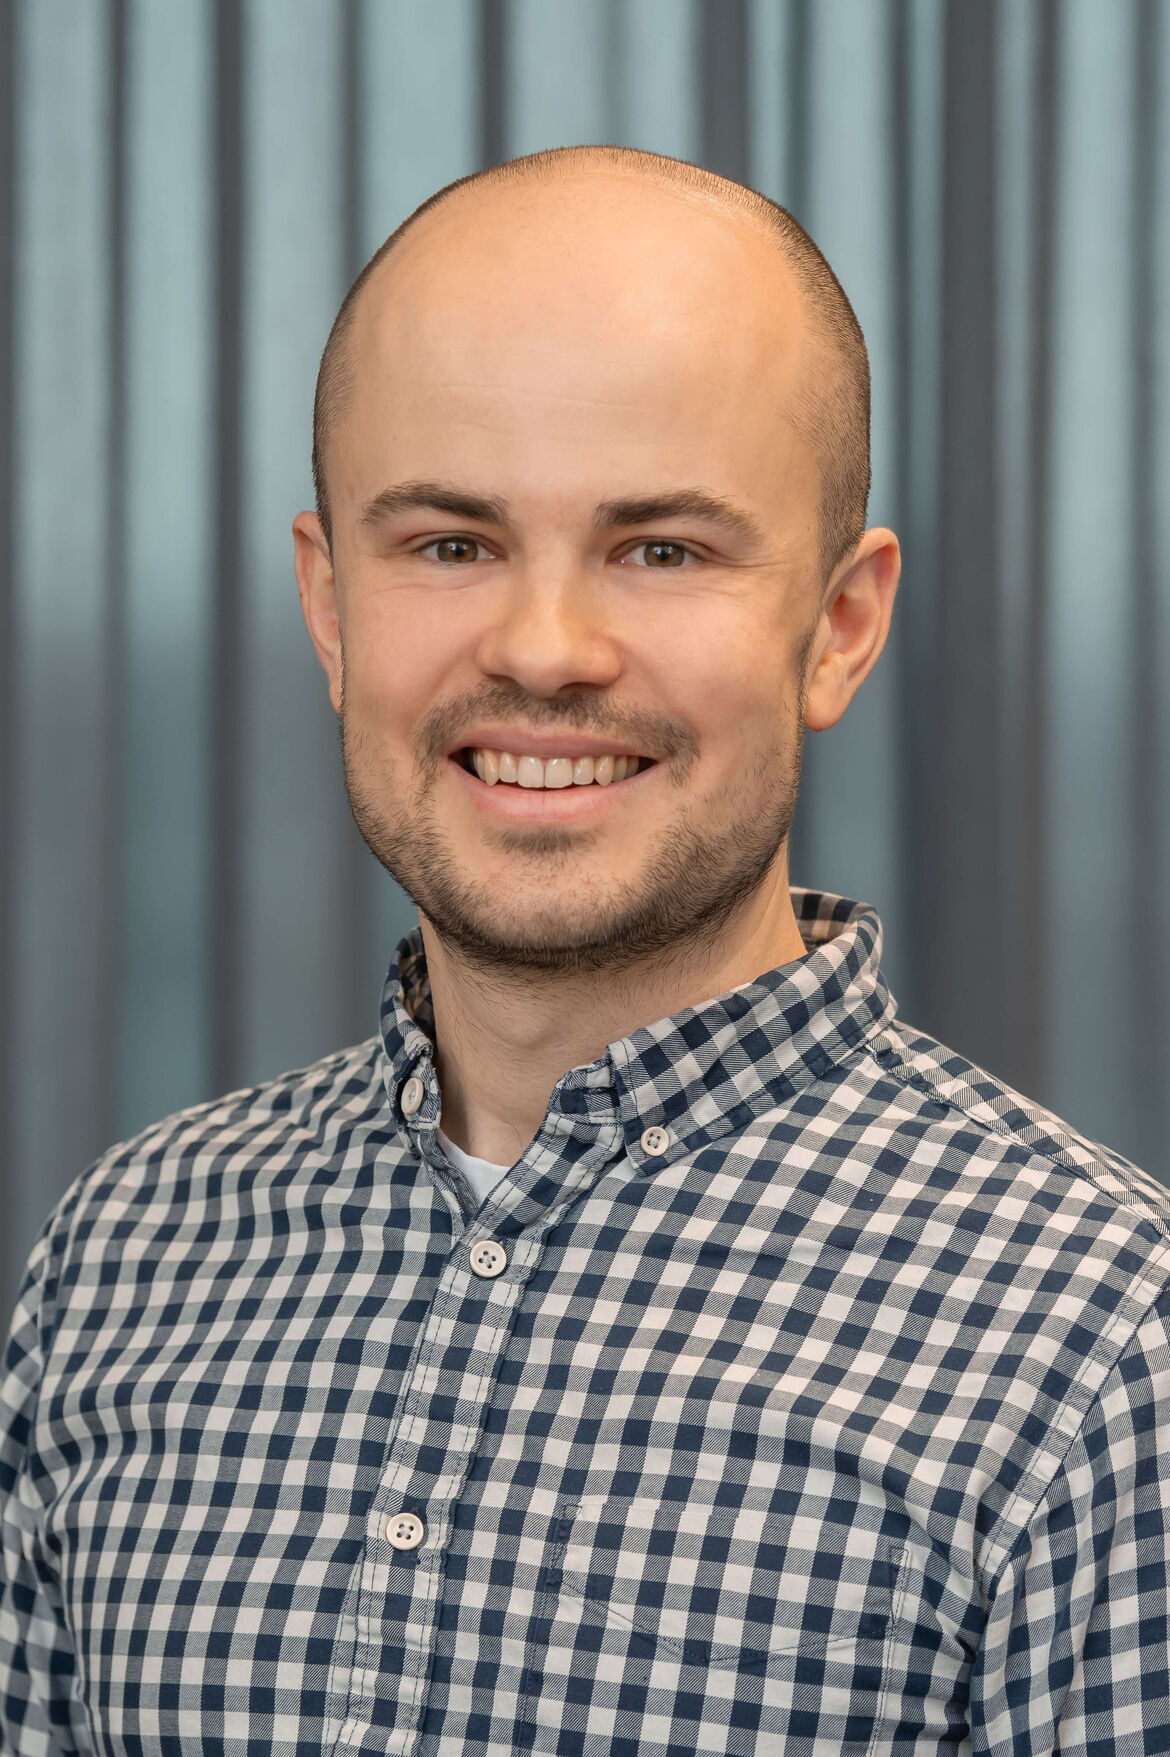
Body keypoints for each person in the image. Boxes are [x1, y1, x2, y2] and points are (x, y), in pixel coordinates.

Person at [2, 145, 1168, 1757]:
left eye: (661, 548)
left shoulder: (1100, 1347)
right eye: (448, 543)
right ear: (329, 606)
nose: (544, 648)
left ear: (838, 625)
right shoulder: (123, 1259)